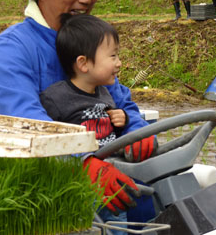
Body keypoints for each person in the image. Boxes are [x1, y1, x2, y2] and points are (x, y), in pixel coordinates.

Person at [0, 0, 156, 233]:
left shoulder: (84, 40)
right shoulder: (10, 50)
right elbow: (27, 120)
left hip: (98, 176)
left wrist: (137, 129)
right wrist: (82, 162)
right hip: (30, 188)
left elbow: (119, 99)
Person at [40, 13, 158, 233]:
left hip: (114, 178)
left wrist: (122, 120)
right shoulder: (56, 98)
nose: (119, 63)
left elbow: (109, 130)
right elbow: (48, 138)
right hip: (84, 185)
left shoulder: (105, 93)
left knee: (124, 221)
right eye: (112, 56)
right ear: (83, 63)